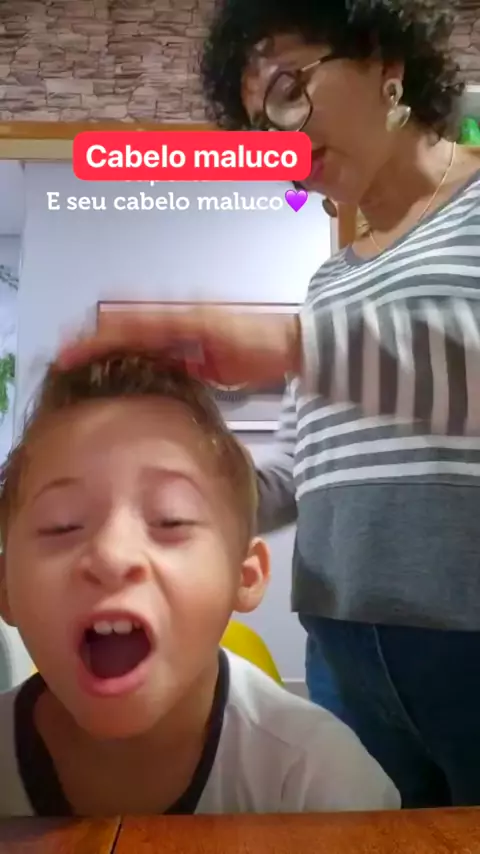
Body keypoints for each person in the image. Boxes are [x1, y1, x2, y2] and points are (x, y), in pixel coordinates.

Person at [57, 0, 480, 810]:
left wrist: (289, 344)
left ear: (387, 64)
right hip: (342, 651)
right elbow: (302, 469)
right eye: (259, 127)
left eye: (290, 92)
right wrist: (171, 490)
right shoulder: (332, 278)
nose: (280, 143)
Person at [0, 354, 399, 816]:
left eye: (170, 519)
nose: (112, 556)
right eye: (62, 525)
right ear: (5, 588)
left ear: (244, 576)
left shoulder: (319, 781)